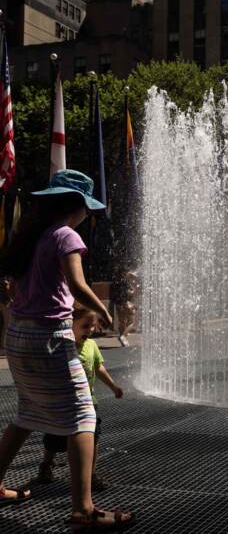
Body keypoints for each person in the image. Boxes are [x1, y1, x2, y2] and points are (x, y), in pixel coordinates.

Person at [0, 170, 134, 531]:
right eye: (87, 208)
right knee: (83, 417)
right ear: (75, 205)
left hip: (18, 336)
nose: (89, 214)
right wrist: (103, 309)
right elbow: (77, 284)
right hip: (49, 337)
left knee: (27, 414)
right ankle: (83, 510)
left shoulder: (31, 236)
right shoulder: (65, 235)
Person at [37, 306, 124, 491]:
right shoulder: (62, 345)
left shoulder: (91, 346)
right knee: (54, 437)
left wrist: (113, 386)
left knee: (93, 437)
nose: (90, 330)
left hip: (88, 402)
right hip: (63, 402)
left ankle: (90, 475)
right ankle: (46, 464)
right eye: (85, 326)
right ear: (70, 325)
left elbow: (99, 368)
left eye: (93, 326)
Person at [111, 269, 136, 347]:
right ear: (124, 273)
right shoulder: (126, 281)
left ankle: (123, 342)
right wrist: (133, 288)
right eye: (127, 272)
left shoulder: (115, 282)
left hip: (118, 304)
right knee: (131, 322)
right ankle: (123, 336)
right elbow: (130, 292)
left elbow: (113, 294)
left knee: (122, 323)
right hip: (127, 303)